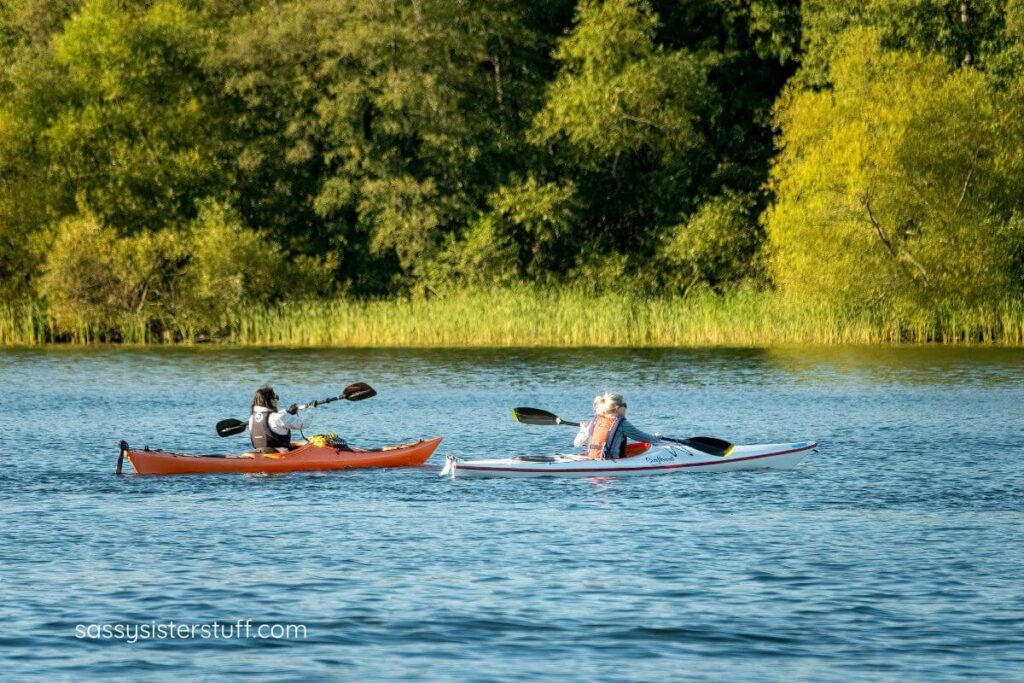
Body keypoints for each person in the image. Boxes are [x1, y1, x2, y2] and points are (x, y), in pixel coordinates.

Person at [582, 392, 663, 460]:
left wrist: (583, 430)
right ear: (617, 408)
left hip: (592, 458)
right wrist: (657, 437)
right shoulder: (622, 424)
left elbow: (577, 443)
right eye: (625, 405)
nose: (626, 408)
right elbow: (645, 438)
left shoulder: (596, 420)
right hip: (609, 463)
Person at [248, 385, 314, 453]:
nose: (277, 400)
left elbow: (272, 417)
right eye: (275, 397)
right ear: (270, 400)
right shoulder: (278, 417)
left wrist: (287, 411)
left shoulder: (251, 418)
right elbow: (303, 424)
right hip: (278, 455)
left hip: (258, 453)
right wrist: (310, 410)